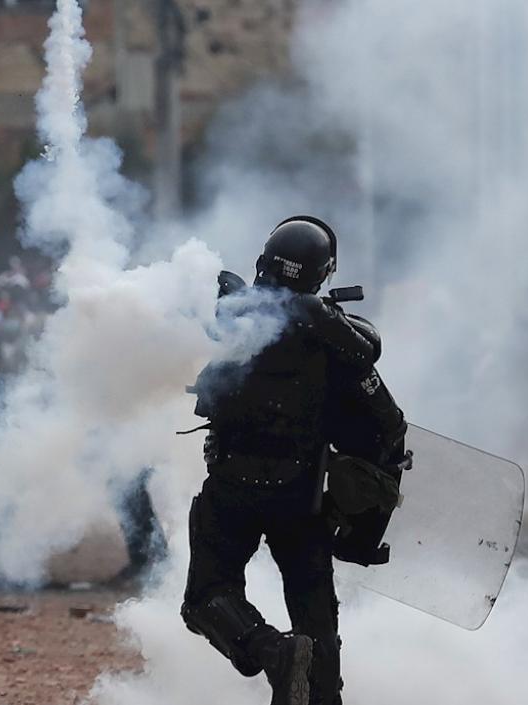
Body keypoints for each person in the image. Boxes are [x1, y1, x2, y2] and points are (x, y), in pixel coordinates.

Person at [181, 217, 378, 705]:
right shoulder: (333, 341)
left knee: (207, 598)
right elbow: (383, 425)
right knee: (318, 634)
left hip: (231, 491)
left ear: (264, 263)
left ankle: (272, 653)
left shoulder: (236, 322)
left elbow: (203, 394)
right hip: (301, 499)